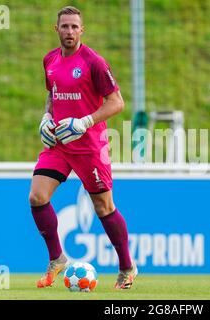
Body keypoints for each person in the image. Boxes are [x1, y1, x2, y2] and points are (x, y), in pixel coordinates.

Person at [29, 6, 137, 290]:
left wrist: (85, 122)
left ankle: (127, 266)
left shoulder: (94, 62)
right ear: (57, 29)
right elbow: (51, 97)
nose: (69, 32)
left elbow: (117, 103)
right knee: (37, 197)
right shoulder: (49, 60)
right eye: (64, 26)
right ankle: (57, 258)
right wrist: (46, 118)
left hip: (89, 145)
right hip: (60, 144)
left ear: (82, 30)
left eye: (75, 27)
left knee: (103, 207)